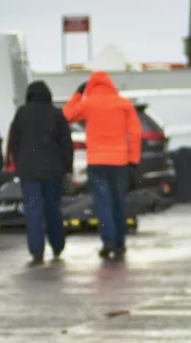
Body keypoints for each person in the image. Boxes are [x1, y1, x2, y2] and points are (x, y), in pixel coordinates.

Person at [63, 71, 141, 259]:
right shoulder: (124, 103)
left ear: (91, 86)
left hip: (97, 163)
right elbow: (135, 133)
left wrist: (77, 94)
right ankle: (120, 244)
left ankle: (108, 242)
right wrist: (134, 159)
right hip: (120, 163)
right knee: (118, 203)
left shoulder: (88, 103)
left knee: (103, 204)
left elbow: (67, 115)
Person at [5, 81, 73, 264]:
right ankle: (57, 245)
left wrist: (18, 163)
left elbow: (14, 141)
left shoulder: (22, 113)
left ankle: (36, 250)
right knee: (52, 208)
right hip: (53, 171)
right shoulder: (56, 114)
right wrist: (67, 167)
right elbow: (66, 144)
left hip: (28, 171)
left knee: (33, 209)